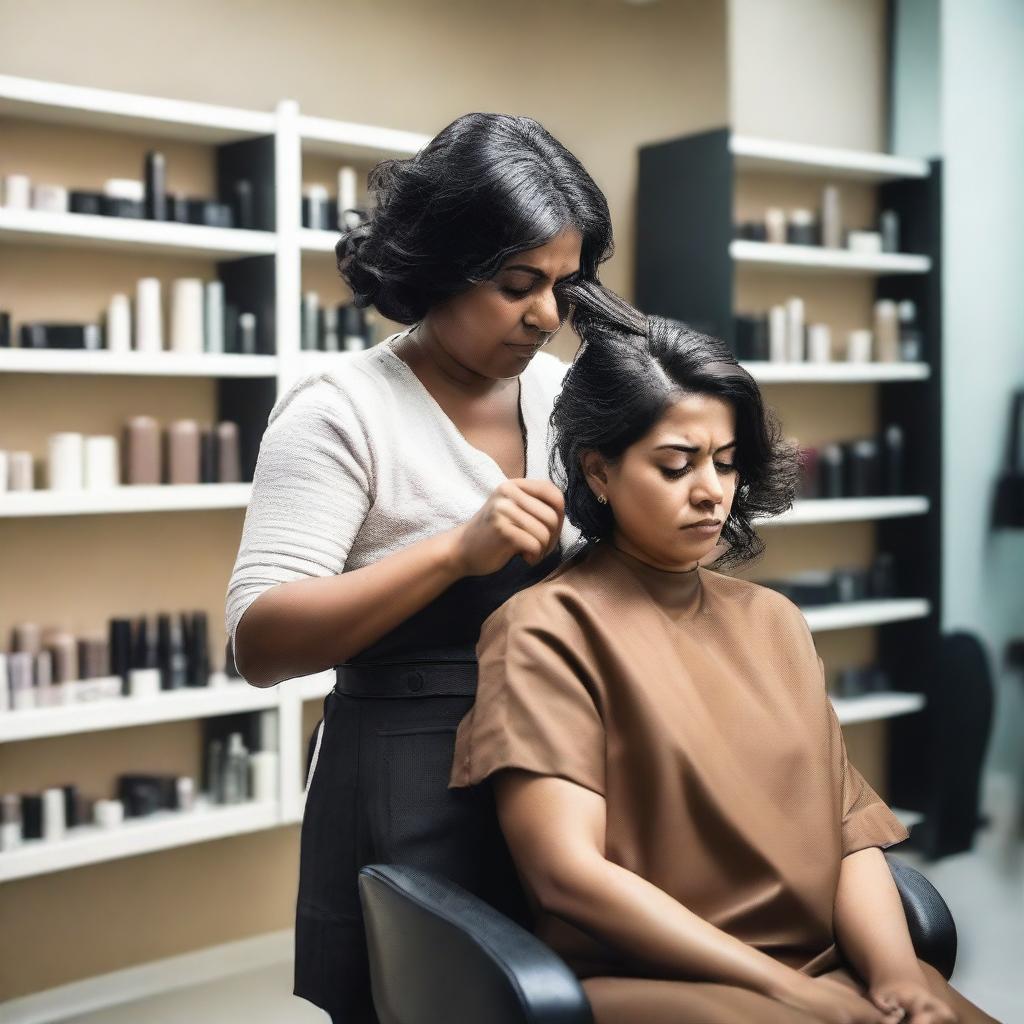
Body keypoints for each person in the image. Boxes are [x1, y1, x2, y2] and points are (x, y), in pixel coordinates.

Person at [450, 286, 1003, 1024]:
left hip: (821, 970)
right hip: (658, 983)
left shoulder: (773, 622)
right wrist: (787, 991)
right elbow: (566, 876)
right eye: (677, 465)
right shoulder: (544, 630)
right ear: (598, 473)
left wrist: (899, 973)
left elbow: (847, 839)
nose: (712, 492)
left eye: (726, 461)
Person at [224, 113, 614, 1022]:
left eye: (563, 285)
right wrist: (452, 553)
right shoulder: (342, 412)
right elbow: (260, 642)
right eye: (519, 284)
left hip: (556, 766)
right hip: (406, 780)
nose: (546, 316)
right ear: (438, 265)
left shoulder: (564, 397)